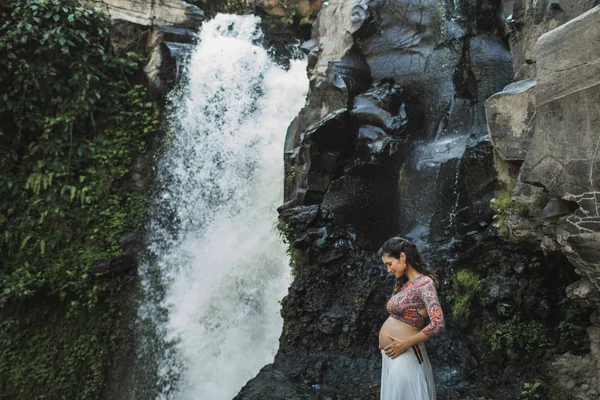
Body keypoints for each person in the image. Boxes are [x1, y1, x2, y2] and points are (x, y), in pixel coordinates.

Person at [378, 236, 445, 400]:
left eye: (389, 264)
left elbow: (438, 323)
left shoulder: (424, 283)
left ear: (402, 257)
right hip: (393, 356)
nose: (388, 270)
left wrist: (405, 343)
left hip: (407, 355)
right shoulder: (406, 283)